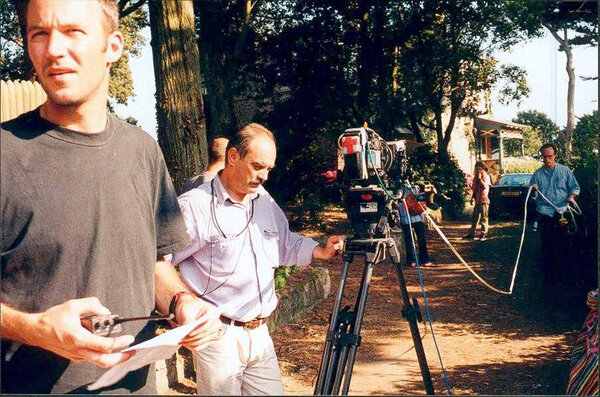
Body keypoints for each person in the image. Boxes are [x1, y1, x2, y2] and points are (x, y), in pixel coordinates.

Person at [0, 0, 219, 393]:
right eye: (39, 34)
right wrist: (33, 329)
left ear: (113, 46)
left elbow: (150, 262)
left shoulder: (143, 151)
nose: (53, 50)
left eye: (73, 31)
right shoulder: (4, 152)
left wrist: (181, 302)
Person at [171, 123, 345, 395]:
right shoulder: (194, 206)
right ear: (232, 157)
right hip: (218, 336)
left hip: (260, 333)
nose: (264, 176)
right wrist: (178, 304)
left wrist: (318, 250)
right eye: (257, 166)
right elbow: (161, 262)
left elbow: (284, 243)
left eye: (268, 169)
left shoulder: (262, 199)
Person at [530, 143, 580, 293]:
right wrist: (533, 189)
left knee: (565, 246)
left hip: (562, 213)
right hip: (545, 215)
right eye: (544, 157)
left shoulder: (565, 171)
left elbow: (575, 187)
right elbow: (532, 195)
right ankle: (548, 281)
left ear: (555, 155)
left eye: (550, 156)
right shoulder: (537, 174)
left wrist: (571, 196)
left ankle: (566, 279)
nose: (547, 159)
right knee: (547, 247)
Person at [397, 184, 433, 267]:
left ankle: (424, 259)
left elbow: (421, 199)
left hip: (417, 218)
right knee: (409, 240)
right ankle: (411, 260)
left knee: (421, 240)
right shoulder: (400, 190)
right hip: (406, 219)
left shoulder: (416, 188)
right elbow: (398, 201)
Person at [464, 161, 491, 241]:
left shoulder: (486, 176)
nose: (477, 170)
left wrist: (480, 179)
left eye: (479, 168)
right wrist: (472, 197)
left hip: (484, 200)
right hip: (477, 200)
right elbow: (475, 188)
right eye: (476, 168)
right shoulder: (476, 177)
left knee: (484, 218)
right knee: (475, 218)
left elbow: (485, 187)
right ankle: (471, 234)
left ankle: (483, 235)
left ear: (482, 168)